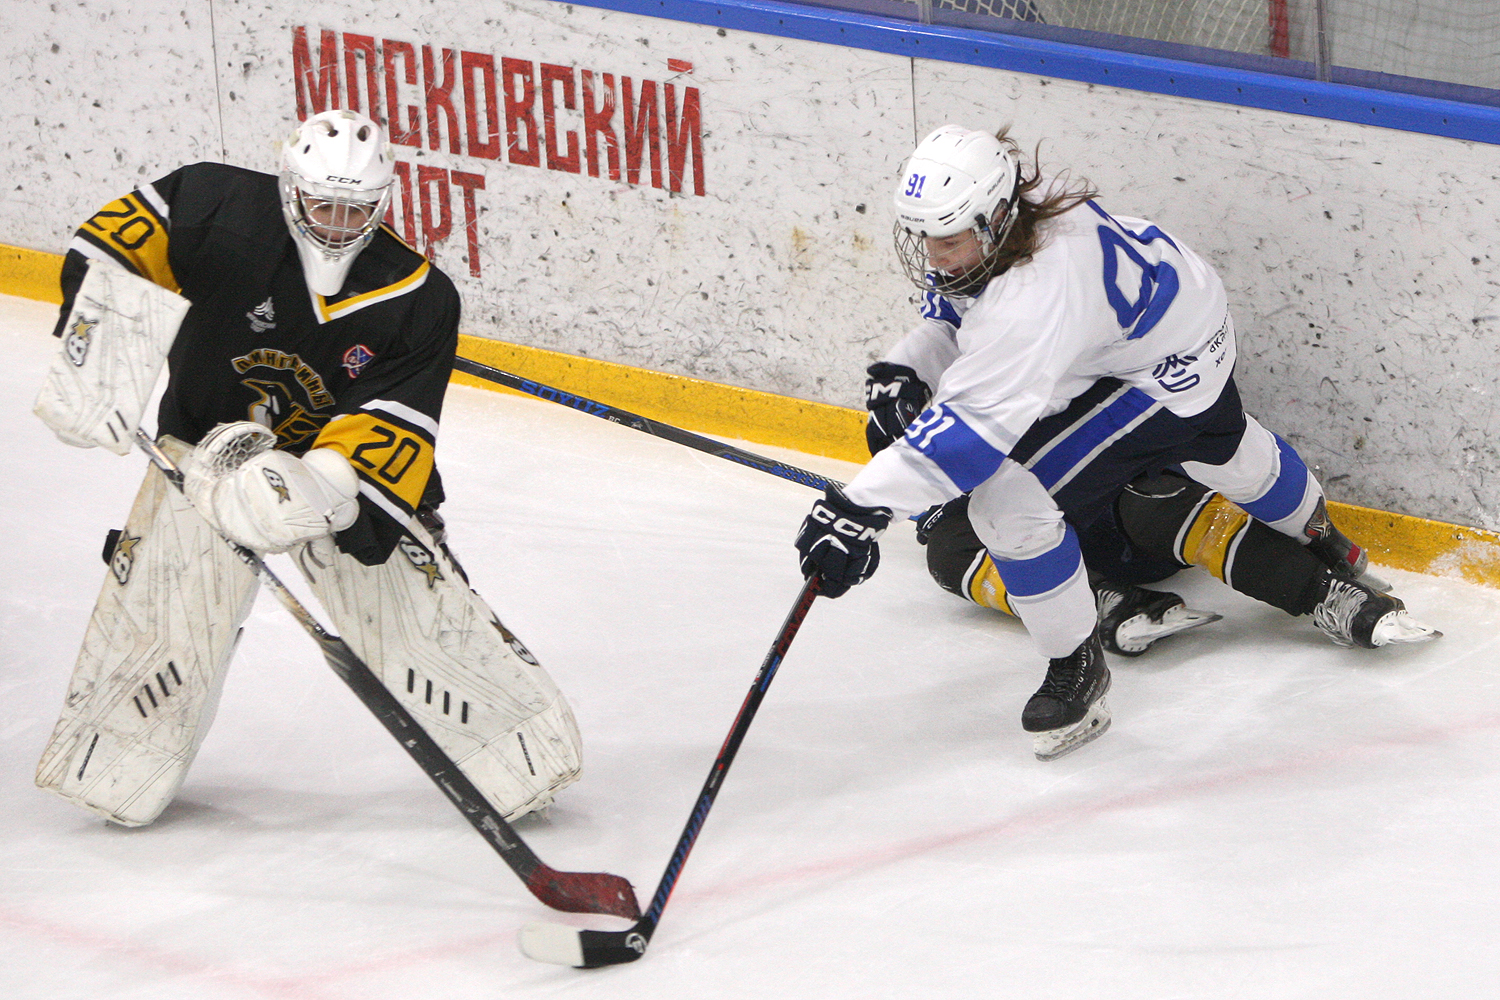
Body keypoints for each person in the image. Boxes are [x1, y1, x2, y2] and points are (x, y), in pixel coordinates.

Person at [796, 124, 1438, 761]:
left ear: (994, 220)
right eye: (928, 237)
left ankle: (1077, 667)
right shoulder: (1028, 202)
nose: (935, 256)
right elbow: (965, 312)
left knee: (1005, 503)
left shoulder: (1033, 302)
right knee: (1228, 446)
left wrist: (855, 510)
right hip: (1185, 321)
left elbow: (967, 437)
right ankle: (1328, 540)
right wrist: (905, 369)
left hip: (1157, 374)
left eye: (950, 239)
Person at [32, 109, 583, 827]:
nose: (336, 223)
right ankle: (119, 760)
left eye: (356, 209)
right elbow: (108, 244)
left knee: (413, 621)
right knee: (169, 621)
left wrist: (319, 492)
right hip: (199, 452)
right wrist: (98, 353)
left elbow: (388, 432)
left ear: (383, 202)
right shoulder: (211, 206)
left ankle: (516, 752)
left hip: (334, 475)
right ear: (289, 189)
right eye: (322, 203)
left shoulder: (418, 298)